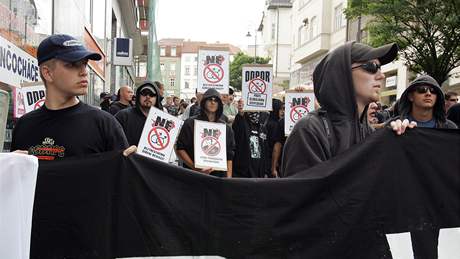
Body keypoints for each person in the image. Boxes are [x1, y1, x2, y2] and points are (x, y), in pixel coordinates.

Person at [281, 42, 399, 176]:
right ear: (343, 73)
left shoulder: (369, 132)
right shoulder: (310, 129)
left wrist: (399, 140)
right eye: (372, 67)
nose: (381, 75)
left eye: (380, 68)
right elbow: (301, 192)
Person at [11, 34, 128, 160]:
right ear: (48, 73)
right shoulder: (24, 125)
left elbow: (124, 176)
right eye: (72, 64)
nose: (84, 71)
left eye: (84, 64)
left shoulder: (104, 124)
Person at [175, 88, 235, 178]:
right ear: (204, 102)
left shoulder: (226, 129)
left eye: (216, 100)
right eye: (210, 99)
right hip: (193, 177)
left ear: (219, 104)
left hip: (218, 178)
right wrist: (195, 168)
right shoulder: (190, 123)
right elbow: (180, 148)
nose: (213, 102)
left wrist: (229, 180)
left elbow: (229, 156)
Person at [115, 81, 162, 146]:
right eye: (144, 93)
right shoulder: (123, 116)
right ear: (138, 96)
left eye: (152, 94)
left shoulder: (162, 120)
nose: (148, 96)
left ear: (157, 98)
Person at [232, 111, 270, 178]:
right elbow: (237, 128)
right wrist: (240, 114)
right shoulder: (242, 123)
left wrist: (266, 170)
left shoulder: (262, 127)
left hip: (258, 173)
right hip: (243, 173)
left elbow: (266, 150)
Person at [266, 99, 284, 177]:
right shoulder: (276, 125)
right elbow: (276, 146)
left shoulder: (267, 122)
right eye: (280, 109)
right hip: (272, 161)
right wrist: (274, 166)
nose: (283, 112)